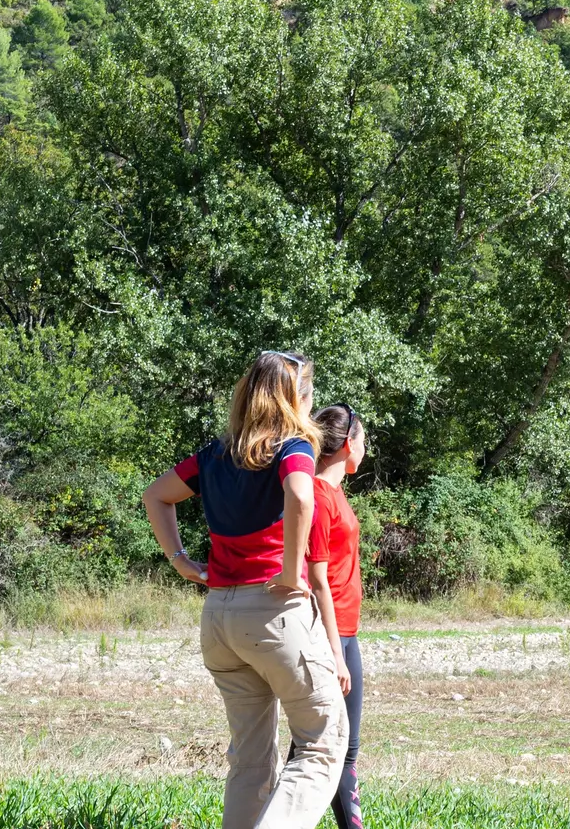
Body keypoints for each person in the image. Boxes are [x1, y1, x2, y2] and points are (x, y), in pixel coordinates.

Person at [142, 350, 347, 829]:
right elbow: (301, 496)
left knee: (251, 759)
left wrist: (181, 561)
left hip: (219, 617)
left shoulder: (215, 454)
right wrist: (292, 573)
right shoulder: (294, 447)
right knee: (322, 744)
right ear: (296, 398)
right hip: (274, 614)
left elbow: (155, 495)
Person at [305, 403, 367, 829]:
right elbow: (317, 578)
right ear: (348, 444)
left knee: (332, 748)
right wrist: (335, 653)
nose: (365, 449)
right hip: (331, 635)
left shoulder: (335, 492)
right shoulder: (317, 495)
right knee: (327, 748)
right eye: (364, 440)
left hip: (347, 631)